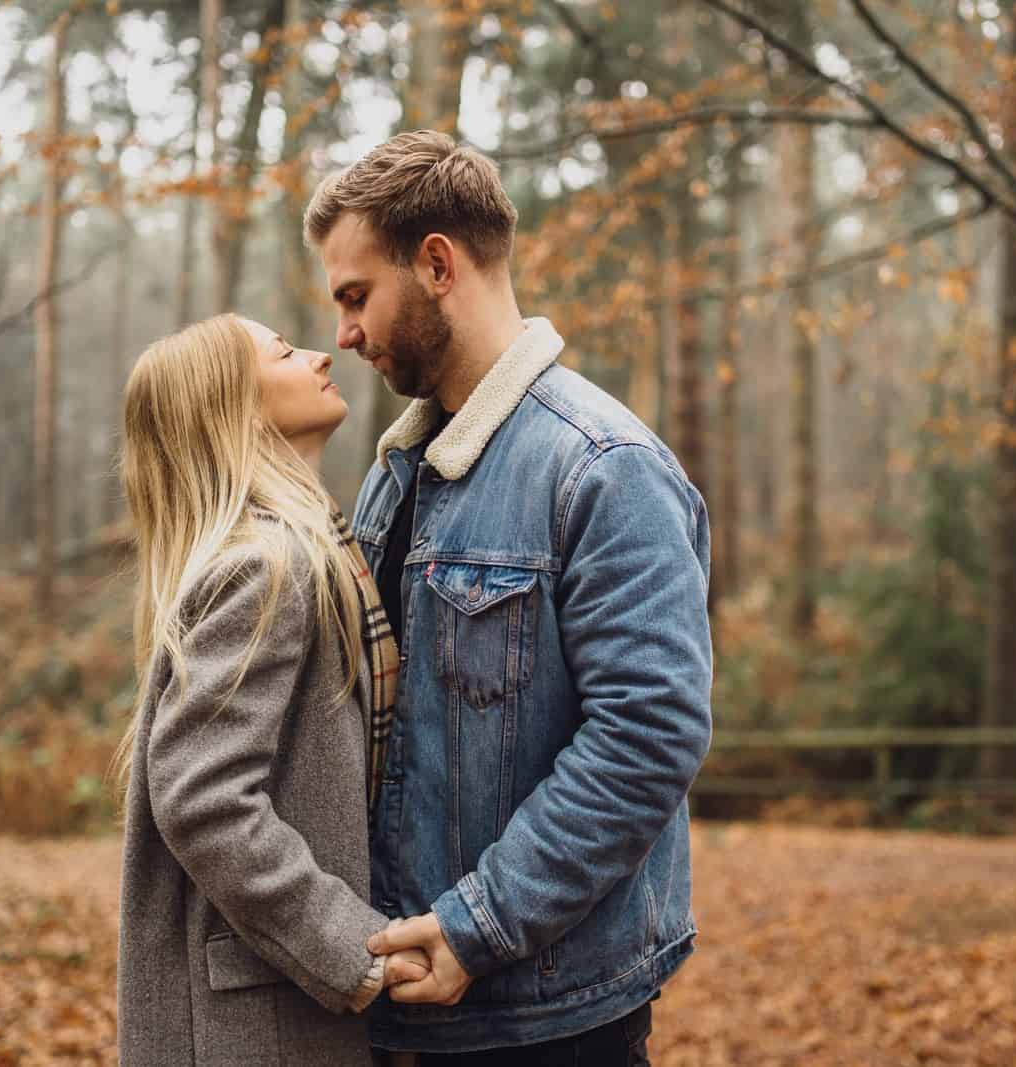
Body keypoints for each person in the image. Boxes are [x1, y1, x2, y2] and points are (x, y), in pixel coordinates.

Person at [302, 130, 714, 1065]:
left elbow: (649, 733)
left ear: (437, 263)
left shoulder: (604, 469)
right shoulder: (394, 478)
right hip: (402, 1013)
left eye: (356, 295)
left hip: (550, 1021)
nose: (345, 334)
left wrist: (473, 926)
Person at [115, 314, 427, 1067]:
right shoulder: (266, 565)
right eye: (285, 351)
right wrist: (356, 947)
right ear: (239, 409)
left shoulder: (296, 546)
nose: (323, 353)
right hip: (256, 1026)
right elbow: (203, 796)